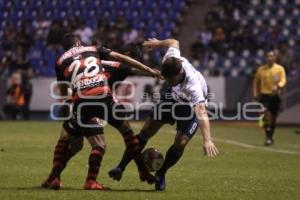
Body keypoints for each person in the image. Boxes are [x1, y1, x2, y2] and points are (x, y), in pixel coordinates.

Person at [42, 34, 161, 190]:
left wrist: (69, 101)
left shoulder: (60, 60)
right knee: (117, 135)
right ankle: (135, 171)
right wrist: (150, 70)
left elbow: (63, 88)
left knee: (70, 140)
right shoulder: (96, 51)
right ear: (79, 43)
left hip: (81, 101)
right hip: (101, 97)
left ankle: (54, 177)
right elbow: (124, 62)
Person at [109, 38, 219, 191]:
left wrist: (207, 140)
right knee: (146, 131)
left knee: (181, 142)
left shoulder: (193, 86)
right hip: (171, 98)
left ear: (179, 74)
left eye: (169, 79)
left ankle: (161, 173)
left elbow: (201, 112)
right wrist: (158, 43)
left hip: (188, 107)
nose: (166, 80)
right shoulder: (171, 58)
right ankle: (120, 167)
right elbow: (174, 42)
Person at [253, 50, 287, 146]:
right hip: (264, 95)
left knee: (273, 117)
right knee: (264, 115)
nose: (269, 58)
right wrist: (256, 94)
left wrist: (279, 86)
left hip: (275, 96)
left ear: (275, 58)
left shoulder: (279, 69)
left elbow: (283, 79)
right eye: (268, 56)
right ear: (265, 58)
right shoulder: (261, 70)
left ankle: (270, 136)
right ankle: (268, 135)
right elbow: (256, 82)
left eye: (271, 56)